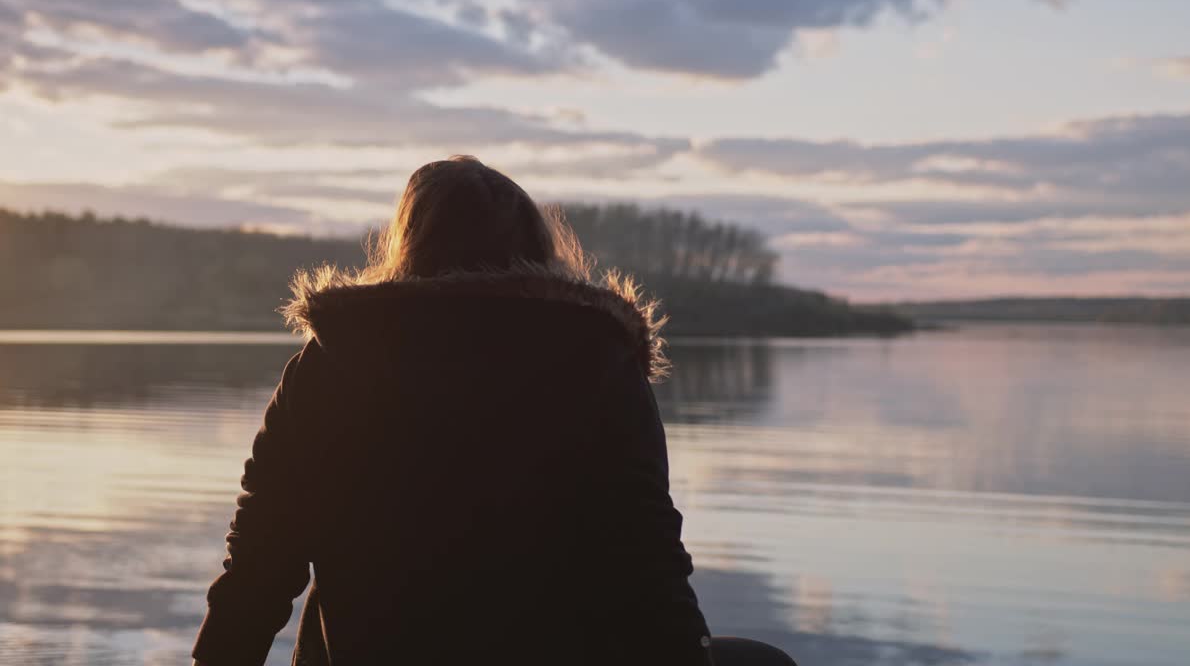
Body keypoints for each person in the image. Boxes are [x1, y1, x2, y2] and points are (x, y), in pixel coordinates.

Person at [191, 156, 796, 665]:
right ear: (536, 247)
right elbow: (644, 556)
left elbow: (261, 559)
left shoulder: (332, 363)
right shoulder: (598, 363)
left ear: (409, 246)